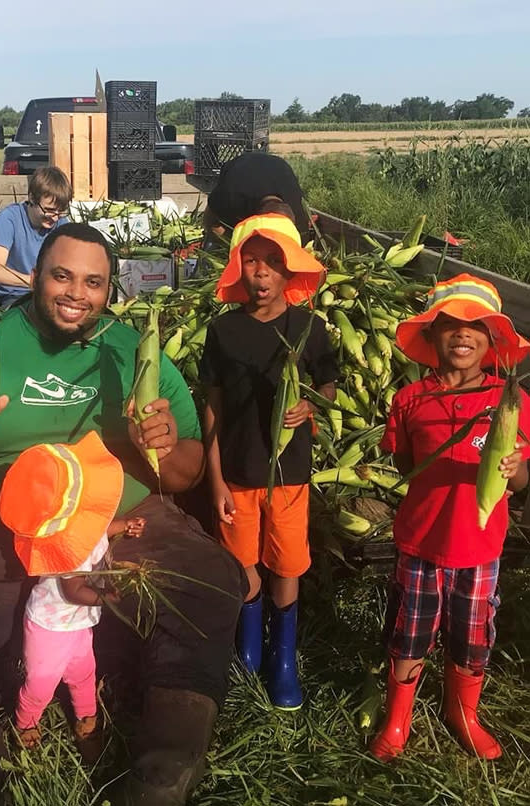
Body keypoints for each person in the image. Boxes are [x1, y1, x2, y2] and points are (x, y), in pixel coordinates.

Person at [0, 221, 246, 806]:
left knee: (205, 583)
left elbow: (182, 475)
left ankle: (160, 780)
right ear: (34, 277)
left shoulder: (132, 352)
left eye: (94, 282)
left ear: (110, 290)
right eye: (61, 275)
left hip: (115, 519)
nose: (76, 293)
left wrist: (154, 443)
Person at [371, 273, 530, 762]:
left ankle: (463, 713)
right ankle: (398, 719)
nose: (463, 333)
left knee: (472, 635)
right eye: (450, 324)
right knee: (411, 631)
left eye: (476, 326)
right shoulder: (411, 400)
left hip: (481, 548)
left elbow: (521, 482)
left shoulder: (512, 402)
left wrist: (514, 468)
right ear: (432, 336)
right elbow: (402, 465)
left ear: (491, 341)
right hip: (420, 542)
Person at [199, 211, 338, 709]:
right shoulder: (223, 332)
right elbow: (210, 409)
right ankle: (250, 650)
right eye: (251, 262)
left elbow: (327, 384)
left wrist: (312, 404)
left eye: (272, 263)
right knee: (244, 564)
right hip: (237, 474)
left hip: (290, 476)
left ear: (289, 271)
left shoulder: (309, 328)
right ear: (238, 269)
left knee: (287, 563)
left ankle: (283, 661)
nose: (260, 274)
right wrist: (213, 479)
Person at [0, 430, 145, 758]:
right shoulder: (64, 545)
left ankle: (87, 718)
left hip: (78, 625)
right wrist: (109, 597)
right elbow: (74, 589)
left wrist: (122, 525)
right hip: (51, 627)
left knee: (83, 671)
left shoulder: (85, 526)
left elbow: (100, 533)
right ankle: (25, 722)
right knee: (41, 682)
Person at [0, 165, 72, 304]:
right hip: (12, 295)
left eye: (60, 211)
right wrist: (34, 282)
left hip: (47, 294)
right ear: (32, 198)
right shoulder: (9, 219)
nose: (55, 217)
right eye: (49, 210)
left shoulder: (61, 223)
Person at [203, 152, 312, 240]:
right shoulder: (231, 193)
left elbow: (302, 240)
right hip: (241, 166)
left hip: (277, 166)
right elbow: (211, 222)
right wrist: (237, 245)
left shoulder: (297, 208)